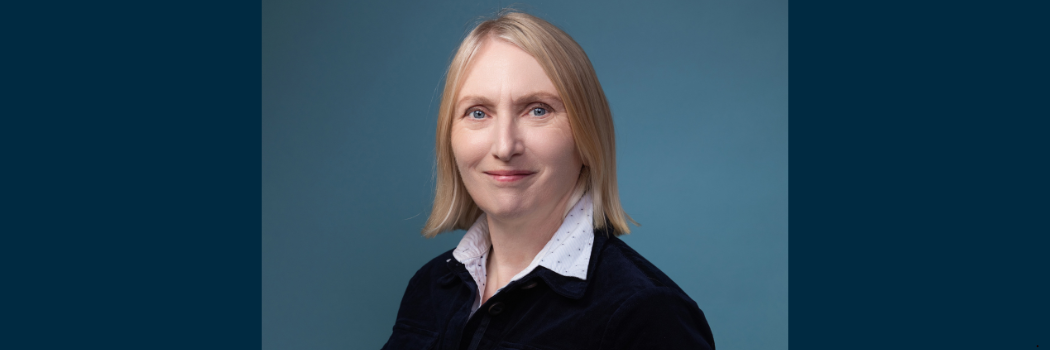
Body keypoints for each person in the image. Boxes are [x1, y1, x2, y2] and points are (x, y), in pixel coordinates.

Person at [383, 10, 715, 350]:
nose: (504, 146)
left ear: (587, 136)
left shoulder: (646, 313)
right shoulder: (430, 286)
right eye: (478, 112)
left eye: (537, 110)